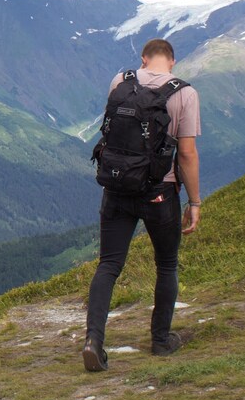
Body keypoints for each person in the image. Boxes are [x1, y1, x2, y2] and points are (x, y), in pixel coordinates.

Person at [82, 38, 202, 372]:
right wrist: (194, 201)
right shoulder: (184, 94)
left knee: (108, 264)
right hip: (160, 193)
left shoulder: (121, 82)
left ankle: (93, 341)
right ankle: (161, 341)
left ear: (144, 58)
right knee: (166, 264)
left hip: (117, 186)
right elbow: (187, 153)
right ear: (173, 62)